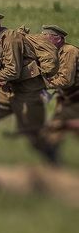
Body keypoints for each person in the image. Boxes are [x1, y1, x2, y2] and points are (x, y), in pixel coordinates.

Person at [0, 9, 56, 168]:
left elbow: (12, 72)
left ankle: (56, 165)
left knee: (33, 135)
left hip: (27, 94)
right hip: (9, 91)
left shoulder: (10, 38)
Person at [42, 25, 78, 159]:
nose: (43, 41)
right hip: (68, 99)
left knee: (54, 129)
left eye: (46, 38)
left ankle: (54, 168)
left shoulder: (69, 51)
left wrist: (44, 84)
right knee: (53, 131)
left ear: (58, 39)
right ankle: (54, 168)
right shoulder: (57, 53)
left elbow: (66, 80)